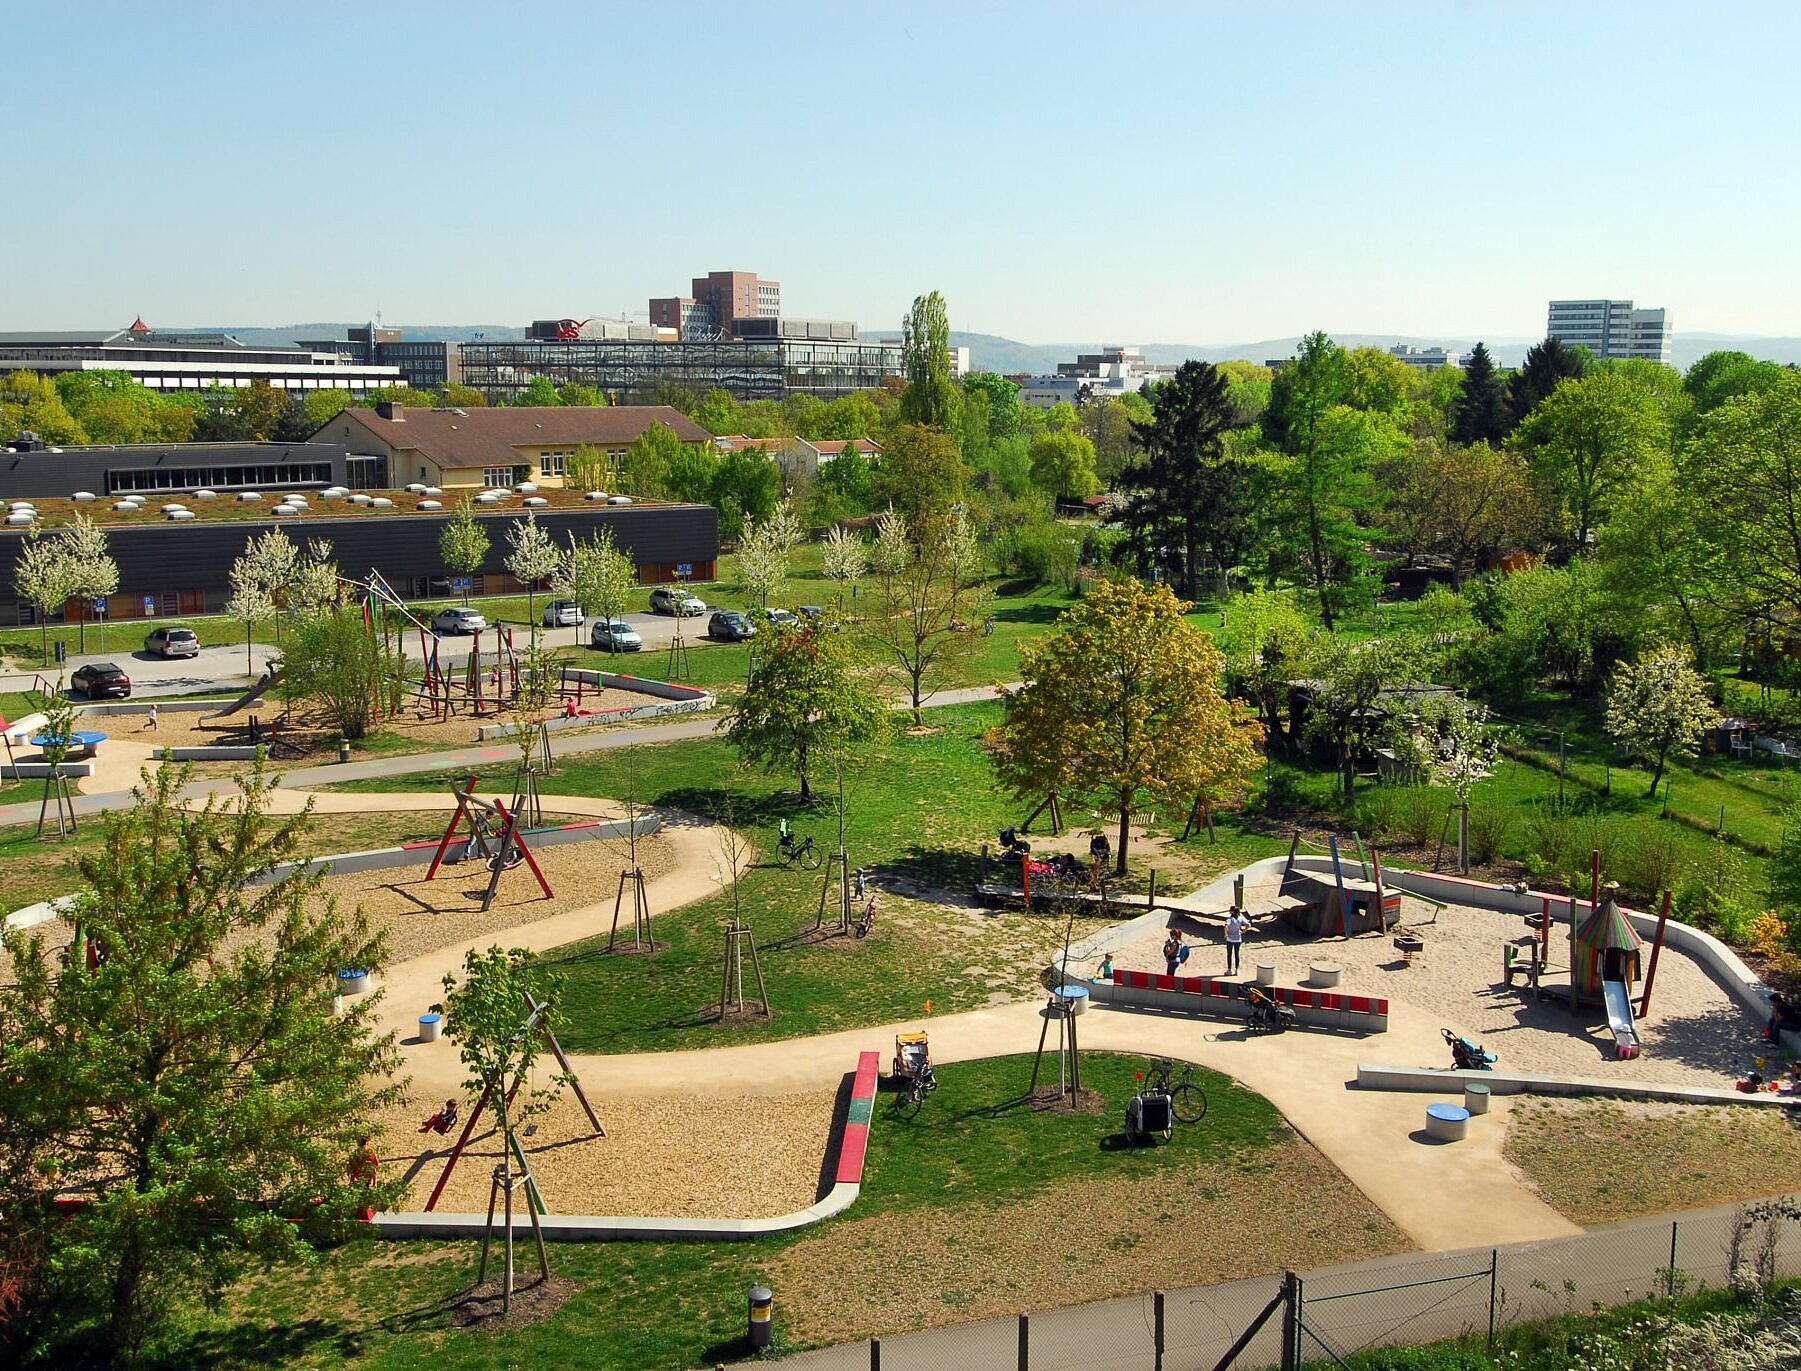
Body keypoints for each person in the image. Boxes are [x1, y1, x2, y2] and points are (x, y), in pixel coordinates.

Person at [348, 1136, 379, 1222]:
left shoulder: (356, 1153)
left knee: (361, 1192)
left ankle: (361, 1210)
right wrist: (374, 1180)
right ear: (366, 1142)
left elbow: (352, 1166)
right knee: (364, 1192)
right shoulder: (369, 1152)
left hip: (359, 1176)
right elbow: (375, 1164)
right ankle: (363, 1210)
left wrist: (352, 1178)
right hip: (367, 1176)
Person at [1224, 905, 1254, 975]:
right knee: (1236, 954)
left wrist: (1226, 934)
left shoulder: (1229, 919)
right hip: (1238, 939)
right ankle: (1237, 970)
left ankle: (1229, 970)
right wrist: (1243, 931)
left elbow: (1226, 927)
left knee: (1229, 954)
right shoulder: (1240, 918)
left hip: (1230, 939)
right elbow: (1248, 925)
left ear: (1232, 912)